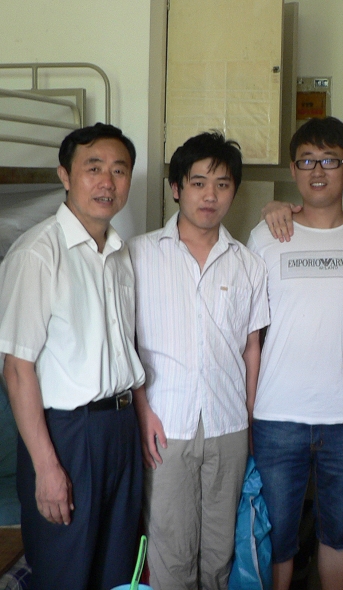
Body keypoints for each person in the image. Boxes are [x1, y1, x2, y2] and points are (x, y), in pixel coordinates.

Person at [0, 123, 145, 589]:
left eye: (119, 170)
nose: (107, 182)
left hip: (120, 428)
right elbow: (17, 369)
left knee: (117, 568)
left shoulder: (120, 254)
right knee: (66, 569)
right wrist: (46, 467)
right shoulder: (38, 253)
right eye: (93, 168)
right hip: (68, 434)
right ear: (65, 175)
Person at [129, 132, 269, 589]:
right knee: (171, 553)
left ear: (234, 192)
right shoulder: (138, 255)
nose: (211, 195)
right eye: (198, 183)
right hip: (164, 426)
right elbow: (127, 342)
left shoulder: (248, 264)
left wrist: (250, 417)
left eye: (223, 184)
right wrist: (142, 412)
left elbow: (251, 347)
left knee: (219, 554)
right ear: (176, 188)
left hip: (229, 425)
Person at [247, 117, 343, 590]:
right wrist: (249, 412)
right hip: (276, 415)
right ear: (293, 169)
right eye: (307, 161)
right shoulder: (265, 236)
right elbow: (250, 336)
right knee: (276, 537)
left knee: (341, 537)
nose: (318, 171)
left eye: (329, 160)